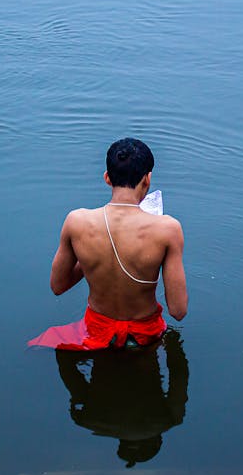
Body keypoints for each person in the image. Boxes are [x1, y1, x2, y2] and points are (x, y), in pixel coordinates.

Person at [28, 138, 187, 350]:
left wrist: (91, 255)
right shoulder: (168, 229)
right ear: (147, 179)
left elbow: (58, 286)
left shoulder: (76, 222)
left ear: (107, 178)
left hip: (96, 332)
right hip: (144, 337)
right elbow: (178, 310)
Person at [55, 329, 189, 467]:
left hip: (128, 345)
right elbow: (66, 364)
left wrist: (173, 344)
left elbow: (179, 373)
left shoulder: (170, 419)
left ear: (156, 439)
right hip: (114, 349)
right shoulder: (88, 420)